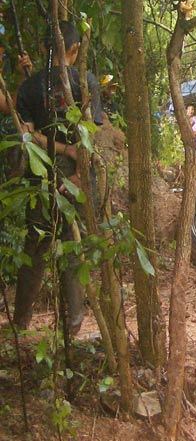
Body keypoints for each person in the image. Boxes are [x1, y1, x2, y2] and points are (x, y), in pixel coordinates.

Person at [13, 20, 103, 335]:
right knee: (74, 247)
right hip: (75, 176)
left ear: (42, 48)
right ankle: (73, 324)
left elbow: (27, 135)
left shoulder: (29, 87)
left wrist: (51, 144)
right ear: (75, 49)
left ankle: (20, 322)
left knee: (35, 247)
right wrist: (77, 168)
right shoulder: (86, 81)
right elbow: (90, 136)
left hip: (41, 173)